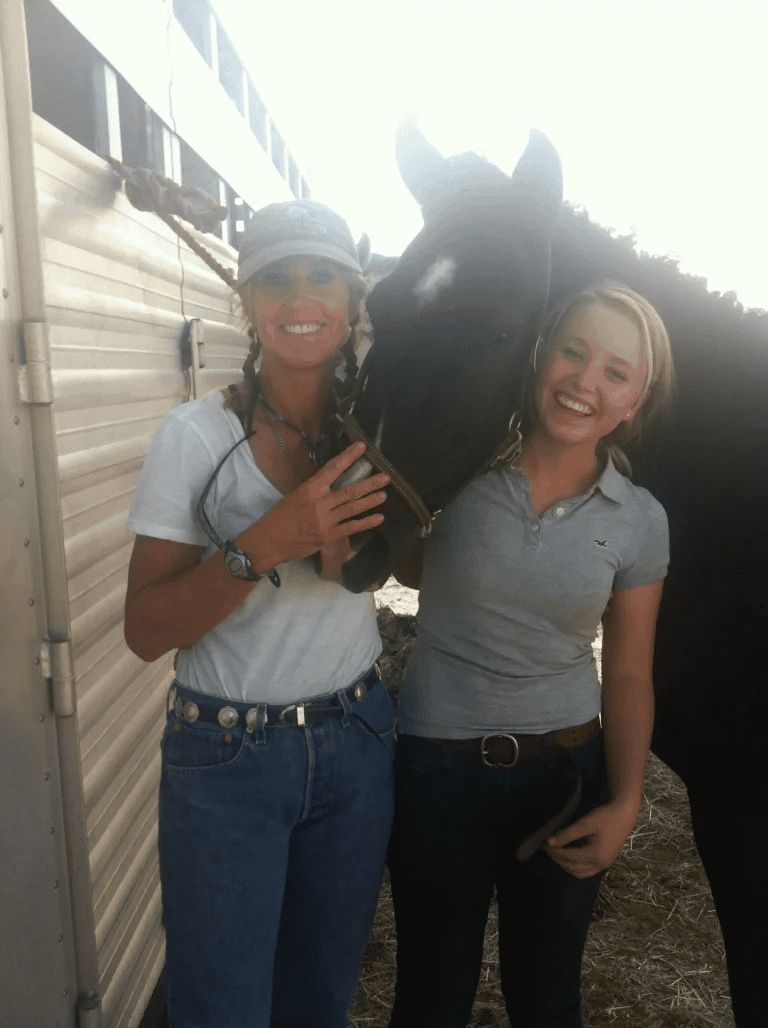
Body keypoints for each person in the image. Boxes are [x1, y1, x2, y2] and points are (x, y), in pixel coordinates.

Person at [124, 200, 396, 1028]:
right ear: (246, 302)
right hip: (227, 755)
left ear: (353, 300)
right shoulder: (195, 437)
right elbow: (145, 628)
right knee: (221, 1008)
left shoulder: (381, 434)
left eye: (321, 276)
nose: (299, 296)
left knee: (319, 1001)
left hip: (356, 738)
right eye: (275, 278)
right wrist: (261, 544)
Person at [387, 282, 675, 1028]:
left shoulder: (642, 522)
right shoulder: (458, 472)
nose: (585, 382)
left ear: (634, 402)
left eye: (616, 372)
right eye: (573, 353)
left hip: (562, 782)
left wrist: (626, 801)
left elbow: (633, 673)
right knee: (430, 999)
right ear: (540, 355)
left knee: (547, 1002)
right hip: (435, 774)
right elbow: (409, 569)